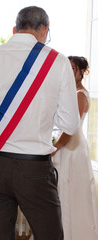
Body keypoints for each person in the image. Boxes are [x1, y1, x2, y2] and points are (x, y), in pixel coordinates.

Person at [0, 6, 80, 240]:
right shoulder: (58, 61)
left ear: (15, 29)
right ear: (44, 30)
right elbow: (70, 124)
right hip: (35, 169)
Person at [52, 56, 98, 240]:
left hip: (73, 148)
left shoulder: (80, 95)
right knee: (63, 191)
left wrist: (56, 147)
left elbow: (72, 127)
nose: (69, 72)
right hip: (67, 145)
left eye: (72, 68)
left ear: (81, 72)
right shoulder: (71, 92)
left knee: (73, 191)